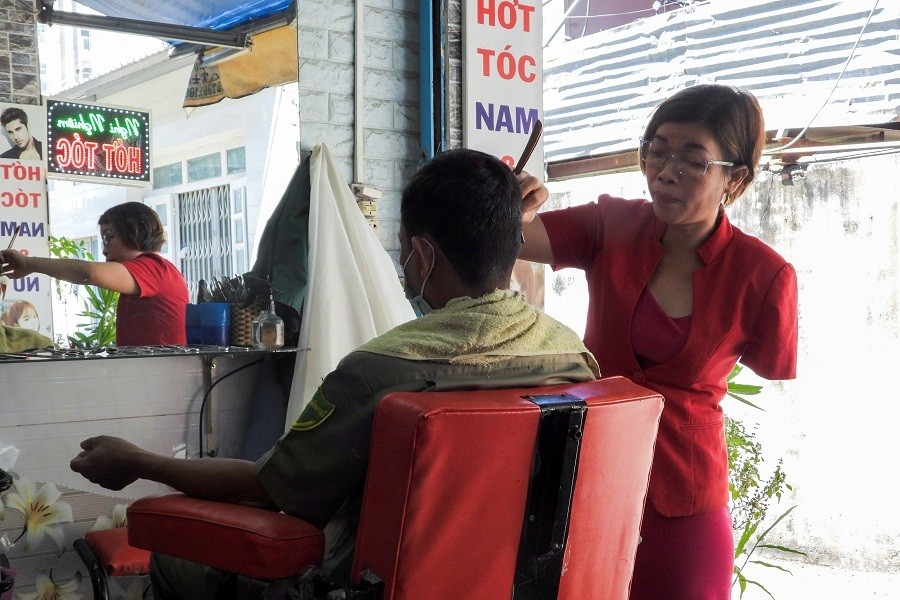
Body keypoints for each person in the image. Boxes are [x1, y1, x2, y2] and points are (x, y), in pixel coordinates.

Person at [68, 148, 600, 599]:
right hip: (517, 580)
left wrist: (139, 461)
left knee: (175, 562)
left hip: (367, 584)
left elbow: (267, 491)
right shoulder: (571, 356)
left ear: (423, 254)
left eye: (404, 251)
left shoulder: (381, 371)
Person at [518, 84, 798, 600]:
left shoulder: (763, 274)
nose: (665, 172)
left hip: (685, 498)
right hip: (590, 477)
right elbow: (512, 237)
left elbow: (775, 365)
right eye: (657, 150)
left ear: (734, 177)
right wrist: (512, 202)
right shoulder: (611, 224)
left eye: (693, 161)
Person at [1, 202, 189, 346]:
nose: (105, 250)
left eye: (109, 237)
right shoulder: (150, 271)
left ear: (134, 231)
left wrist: (29, 263)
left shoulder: (153, 268)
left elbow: (88, 273)